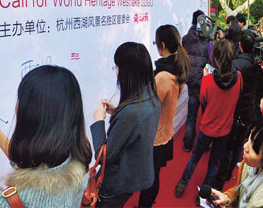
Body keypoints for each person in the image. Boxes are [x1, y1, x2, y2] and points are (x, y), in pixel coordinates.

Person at [0, 65, 92, 208]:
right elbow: (32, 165)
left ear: (32, 114)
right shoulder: (77, 165)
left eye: (20, 99)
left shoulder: (4, 204)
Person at [92, 42, 161, 207]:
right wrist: (117, 112)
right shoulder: (151, 98)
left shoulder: (130, 112)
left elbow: (104, 157)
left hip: (116, 184)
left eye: (117, 67)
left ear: (126, 72)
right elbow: (135, 129)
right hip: (134, 177)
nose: (116, 71)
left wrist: (98, 122)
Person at [175, 40, 242, 197]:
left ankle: (182, 184)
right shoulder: (239, 77)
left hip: (207, 128)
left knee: (195, 157)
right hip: (225, 129)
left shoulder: (208, 80)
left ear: (215, 59)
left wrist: (207, 78)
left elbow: (203, 100)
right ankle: (204, 193)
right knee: (213, 163)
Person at [139, 25, 189, 207]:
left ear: (161, 45)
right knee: (155, 174)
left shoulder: (163, 77)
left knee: (149, 178)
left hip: (155, 136)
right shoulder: (177, 69)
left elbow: (147, 107)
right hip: (165, 131)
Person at [211, 108, 263, 208]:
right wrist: (228, 197)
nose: (246, 147)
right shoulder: (254, 163)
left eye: (254, 149)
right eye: (250, 136)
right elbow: (243, 189)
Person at [213, 30, 259, 190]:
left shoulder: (238, 65)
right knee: (238, 144)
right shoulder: (257, 61)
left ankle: (220, 178)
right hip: (249, 109)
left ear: (240, 45)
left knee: (228, 146)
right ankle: (228, 172)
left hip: (237, 109)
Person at [182, 10, 210, 152]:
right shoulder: (207, 40)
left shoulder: (186, 39)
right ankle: (203, 145)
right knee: (205, 117)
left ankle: (187, 145)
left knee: (191, 116)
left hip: (191, 81)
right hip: (203, 83)